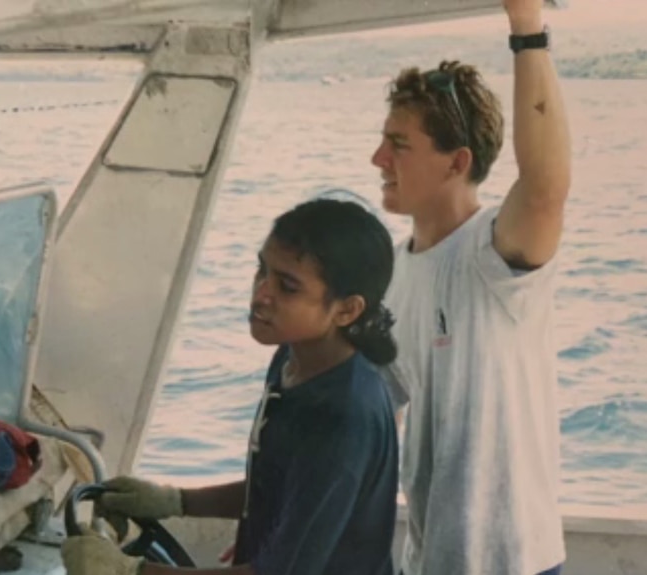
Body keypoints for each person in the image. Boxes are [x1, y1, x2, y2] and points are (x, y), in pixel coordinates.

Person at [61, 199, 401, 575]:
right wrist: (176, 501)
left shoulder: (342, 417)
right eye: (262, 271)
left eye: (287, 287)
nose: (260, 295)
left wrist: (131, 572)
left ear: (347, 310)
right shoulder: (292, 357)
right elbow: (276, 485)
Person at [369, 0, 572, 573]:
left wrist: (527, 29)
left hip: (515, 563)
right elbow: (371, 426)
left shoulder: (495, 254)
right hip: (428, 562)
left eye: (399, 145)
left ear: (457, 162)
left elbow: (545, 187)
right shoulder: (387, 275)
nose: (378, 158)